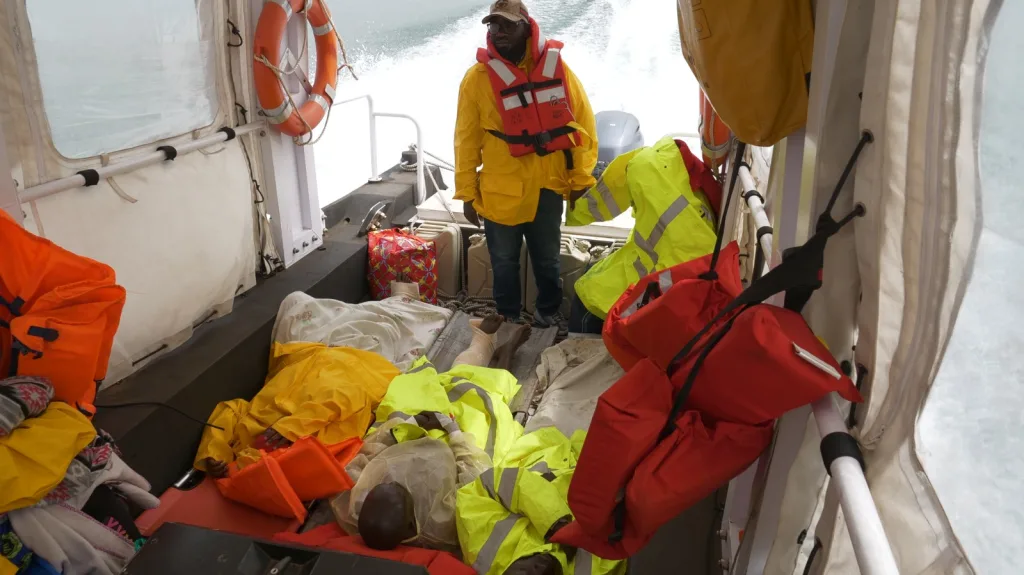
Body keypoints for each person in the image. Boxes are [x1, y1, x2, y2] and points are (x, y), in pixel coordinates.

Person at [334, 315, 532, 552]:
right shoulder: (442, 524)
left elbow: (364, 455)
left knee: (428, 391)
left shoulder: (356, 502)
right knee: (483, 406)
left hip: (407, 438)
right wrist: (453, 431)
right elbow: (476, 478)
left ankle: (481, 346)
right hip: (458, 452)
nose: (395, 480)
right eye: (400, 488)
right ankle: (505, 354)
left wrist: (407, 425)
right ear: (411, 524)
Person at [455, 0, 598, 327]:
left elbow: (583, 125)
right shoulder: (476, 79)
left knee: (548, 260)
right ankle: (507, 318)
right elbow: (466, 140)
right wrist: (466, 193)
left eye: (507, 25)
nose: (499, 32)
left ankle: (547, 313)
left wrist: (580, 179)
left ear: (526, 27)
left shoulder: (557, 70)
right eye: (493, 25)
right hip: (500, 191)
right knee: (503, 262)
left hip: (548, 186)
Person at [566, 137, 723, 333]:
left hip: (667, 283)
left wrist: (575, 210)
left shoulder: (642, 170)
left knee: (587, 296)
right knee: (591, 272)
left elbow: (611, 193)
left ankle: (580, 343)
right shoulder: (671, 165)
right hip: (673, 273)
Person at [455, 427, 626, 575]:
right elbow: (621, 544)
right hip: (609, 468)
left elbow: (490, 483)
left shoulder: (483, 555)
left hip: (553, 459)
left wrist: (555, 521)